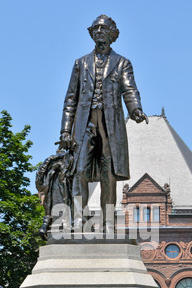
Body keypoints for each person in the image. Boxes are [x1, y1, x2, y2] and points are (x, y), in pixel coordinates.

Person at [59, 14, 148, 233]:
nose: (99, 32)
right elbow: (71, 99)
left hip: (110, 125)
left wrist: (135, 109)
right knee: (79, 171)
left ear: (112, 35)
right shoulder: (80, 63)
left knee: (109, 174)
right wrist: (65, 130)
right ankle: (79, 219)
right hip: (84, 125)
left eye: (103, 29)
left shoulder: (122, 63)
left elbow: (129, 89)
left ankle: (108, 222)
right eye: (95, 29)